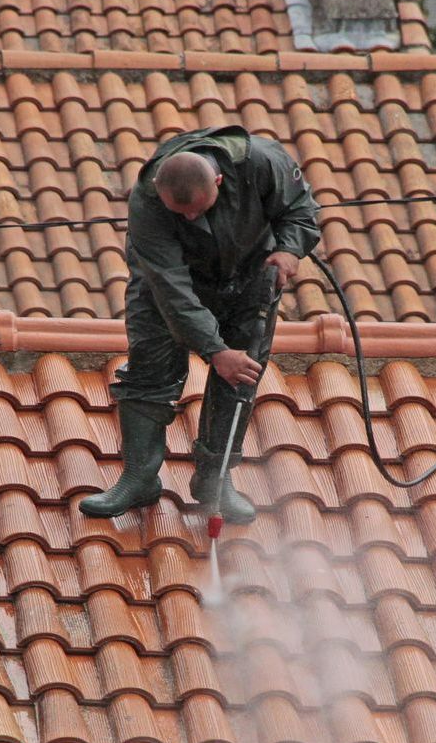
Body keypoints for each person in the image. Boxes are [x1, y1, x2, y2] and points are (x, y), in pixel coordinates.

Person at [79, 125, 321, 524]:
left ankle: (215, 479)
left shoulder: (262, 162)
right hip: (166, 288)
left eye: (199, 209)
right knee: (149, 370)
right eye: (182, 213)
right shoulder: (147, 200)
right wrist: (213, 349)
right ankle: (139, 478)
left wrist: (289, 250)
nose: (191, 217)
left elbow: (300, 211)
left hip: (248, 279)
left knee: (240, 374)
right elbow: (172, 290)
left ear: (220, 181)